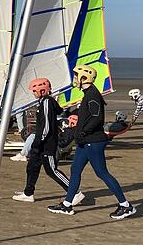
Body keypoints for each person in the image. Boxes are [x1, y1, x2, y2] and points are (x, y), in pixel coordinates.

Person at [48, 65, 136, 219]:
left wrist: (83, 131)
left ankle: (126, 206)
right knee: (75, 170)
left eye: (76, 76)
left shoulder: (93, 95)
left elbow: (96, 118)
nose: (74, 79)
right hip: (84, 141)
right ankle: (67, 205)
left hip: (93, 141)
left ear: (84, 78)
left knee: (102, 173)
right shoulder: (87, 94)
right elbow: (88, 116)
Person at [13, 78, 84, 205]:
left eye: (34, 91)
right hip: (40, 144)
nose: (33, 93)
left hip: (47, 144)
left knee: (51, 170)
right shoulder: (43, 102)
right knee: (32, 167)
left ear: (41, 90)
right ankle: (28, 193)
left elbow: (45, 126)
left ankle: (75, 192)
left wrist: (38, 141)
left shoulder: (47, 102)